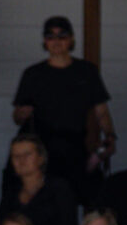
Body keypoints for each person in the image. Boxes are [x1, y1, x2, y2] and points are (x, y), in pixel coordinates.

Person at [9, 13, 113, 187]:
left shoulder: (86, 71)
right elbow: (17, 119)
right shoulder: (33, 74)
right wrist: (21, 114)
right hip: (40, 150)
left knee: (90, 191)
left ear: (71, 40)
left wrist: (110, 136)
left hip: (74, 146)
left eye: (62, 36)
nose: (56, 41)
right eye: (50, 36)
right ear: (44, 42)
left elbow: (101, 109)